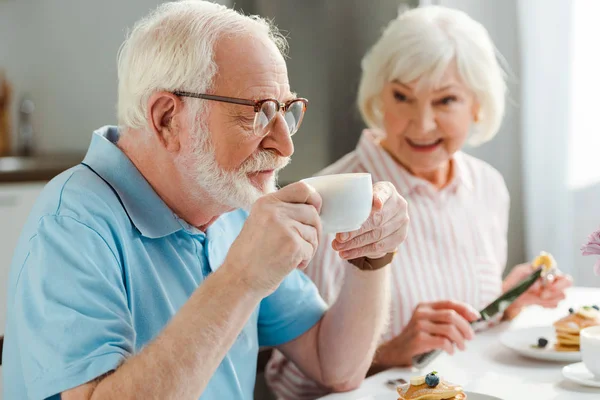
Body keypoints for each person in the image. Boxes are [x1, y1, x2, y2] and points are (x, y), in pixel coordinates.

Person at [1, 2, 410, 399]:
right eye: (259, 112)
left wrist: (370, 257)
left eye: (285, 110)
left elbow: (335, 366)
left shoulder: (227, 202)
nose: (285, 144)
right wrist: (241, 279)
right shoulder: (73, 223)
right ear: (167, 118)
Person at [266, 6, 572, 399]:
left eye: (445, 101)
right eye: (402, 96)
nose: (422, 123)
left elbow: (460, 341)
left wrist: (507, 302)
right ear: (379, 96)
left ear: (477, 104)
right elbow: (287, 384)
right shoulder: (330, 201)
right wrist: (389, 353)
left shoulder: (488, 188)